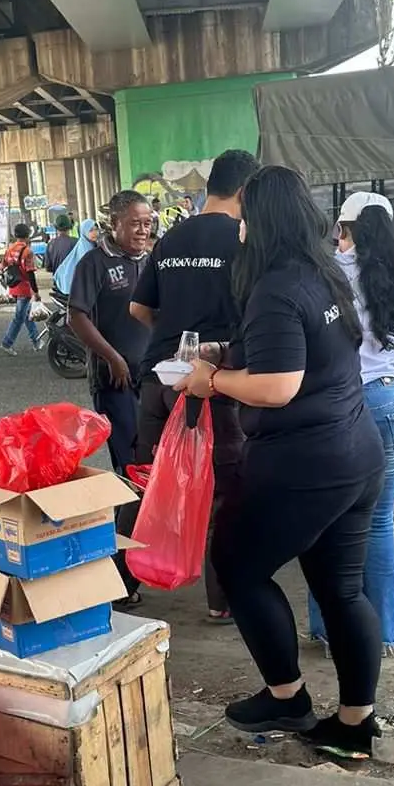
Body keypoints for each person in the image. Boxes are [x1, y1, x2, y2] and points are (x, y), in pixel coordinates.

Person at [179, 166, 386, 763]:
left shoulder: (274, 286)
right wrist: (233, 352)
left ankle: (287, 697)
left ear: (260, 220)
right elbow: (303, 353)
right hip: (355, 452)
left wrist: (209, 379)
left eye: (244, 217)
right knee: (343, 590)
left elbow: (277, 385)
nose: (238, 228)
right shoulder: (324, 275)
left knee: (237, 567)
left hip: (304, 463)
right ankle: (354, 723)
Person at [129, 148, 257, 621]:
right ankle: (222, 601)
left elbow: (138, 310)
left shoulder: (171, 237)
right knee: (226, 489)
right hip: (215, 383)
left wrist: (175, 337)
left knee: (145, 479)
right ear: (244, 192)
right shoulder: (245, 241)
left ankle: (120, 584)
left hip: (159, 377)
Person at [308, 192, 394, 654]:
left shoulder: (330, 277)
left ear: (345, 229)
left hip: (342, 405)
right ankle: (383, 634)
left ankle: (327, 630)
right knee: (378, 522)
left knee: (329, 521)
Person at [68, 190, 153, 474]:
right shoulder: (94, 264)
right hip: (115, 379)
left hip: (151, 376)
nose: (142, 231)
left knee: (152, 456)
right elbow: (76, 316)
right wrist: (113, 358)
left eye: (147, 223)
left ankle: (143, 518)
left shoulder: (150, 260)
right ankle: (126, 518)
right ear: (115, 223)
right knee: (129, 460)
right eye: (134, 223)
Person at [0, 222, 41, 354]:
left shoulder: (9, 249)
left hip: (13, 286)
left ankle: (36, 340)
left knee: (26, 314)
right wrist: (36, 292)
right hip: (24, 287)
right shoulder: (27, 252)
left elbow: (2, 266)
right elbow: (30, 274)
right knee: (19, 317)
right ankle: (7, 343)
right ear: (28, 235)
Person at [54, 217, 97, 296]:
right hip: (81, 289)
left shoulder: (92, 245)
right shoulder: (85, 250)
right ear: (84, 232)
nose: (94, 233)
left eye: (95, 229)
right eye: (90, 230)